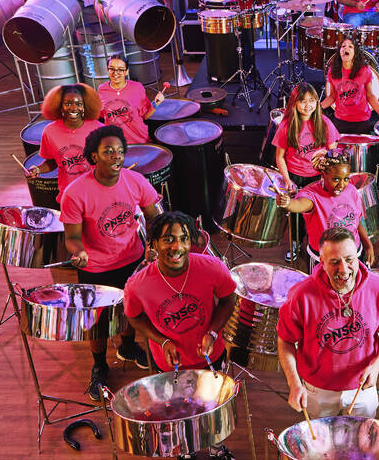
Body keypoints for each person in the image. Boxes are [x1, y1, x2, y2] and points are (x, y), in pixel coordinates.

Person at [60, 125, 161, 401]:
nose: (116, 156)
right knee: (98, 322)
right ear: (94, 157)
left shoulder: (135, 181)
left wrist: (153, 246)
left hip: (132, 260)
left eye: (120, 151)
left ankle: (127, 347)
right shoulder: (75, 192)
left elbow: (155, 218)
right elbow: (71, 236)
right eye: (108, 151)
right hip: (96, 267)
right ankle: (99, 365)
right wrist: (78, 251)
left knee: (132, 312)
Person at [277, 226, 379, 418]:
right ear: (322, 262)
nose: (343, 269)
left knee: (361, 445)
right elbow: (285, 340)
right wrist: (294, 383)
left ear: (357, 256)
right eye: (334, 262)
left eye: (350, 259)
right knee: (321, 446)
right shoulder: (301, 295)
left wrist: (376, 366)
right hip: (317, 390)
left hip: (362, 387)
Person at [124, 211, 236, 372]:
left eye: (184, 239)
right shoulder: (136, 285)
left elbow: (228, 301)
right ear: (154, 244)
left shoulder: (213, 268)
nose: (177, 247)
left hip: (211, 356)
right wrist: (163, 342)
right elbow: (133, 317)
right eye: (168, 240)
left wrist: (212, 333)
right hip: (169, 364)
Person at [276, 151, 375, 267]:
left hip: (353, 255)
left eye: (346, 179)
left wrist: (368, 245)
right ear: (322, 175)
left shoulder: (351, 190)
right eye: (336, 179)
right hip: (325, 260)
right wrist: (287, 203)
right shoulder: (312, 194)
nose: (342, 185)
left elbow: (356, 222)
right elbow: (298, 205)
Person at [26, 84, 102, 204]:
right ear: (59, 106)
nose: (73, 108)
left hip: (95, 194)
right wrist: (38, 169)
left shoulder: (99, 129)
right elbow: (52, 162)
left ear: (85, 106)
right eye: (68, 104)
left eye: (79, 104)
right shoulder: (50, 131)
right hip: (69, 195)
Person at [274, 82, 340, 191]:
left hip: (319, 175)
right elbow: (279, 157)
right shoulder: (286, 125)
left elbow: (332, 152)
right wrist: (287, 180)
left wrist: (329, 176)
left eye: (311, 101)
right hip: (294, 176)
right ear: (294, 103)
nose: (308, 105)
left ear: (317, 102)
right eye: (303, 101)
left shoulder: (325, 122)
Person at [322, 37, 379, 134]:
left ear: (355, 53)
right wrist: (317, 108)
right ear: (339, 52)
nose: (346, 48)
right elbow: (332, 96)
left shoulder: (364, 70)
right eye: (343, 46)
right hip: (340, 120)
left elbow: (370, 95)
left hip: (361, 121)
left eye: (350, 46)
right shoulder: (332, 71)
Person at [98, 55, 167, 144]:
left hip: (140, 140)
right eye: (112, 69)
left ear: (127, 72)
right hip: (116, 144)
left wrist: (155, 104)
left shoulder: (137, 87)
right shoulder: (102, 90)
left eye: (121, 69)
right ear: (107, 70)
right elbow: (100, 116)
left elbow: (145, 115)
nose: (115, 73)